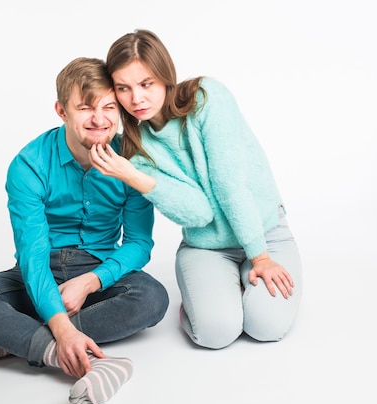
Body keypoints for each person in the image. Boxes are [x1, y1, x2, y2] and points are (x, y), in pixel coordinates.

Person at [0, 57, 169, 404]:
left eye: (109, 107)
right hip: (41, 270)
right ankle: (82, 357)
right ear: (61, 110)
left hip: (98, 267)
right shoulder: (29, 164)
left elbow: (138, 243)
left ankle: (8, 342)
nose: (99, 119)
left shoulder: (133, 160)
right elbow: (32, 256)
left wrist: (91, 282)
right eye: (85, 108)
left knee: (152, 299)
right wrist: (62, 328)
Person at [89, 29, 303, 350]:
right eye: (124, 88)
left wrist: (259, 258)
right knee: (216, 333)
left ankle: (238, 287)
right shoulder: (135, 150)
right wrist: (132, 175)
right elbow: (198, 213)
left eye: (146, 84)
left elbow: (229, 185)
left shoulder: (206, 97)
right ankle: (207, 301)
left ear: (165, 76)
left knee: (266, 326)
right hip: (206, 247)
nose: (136, 99)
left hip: (265, 233)